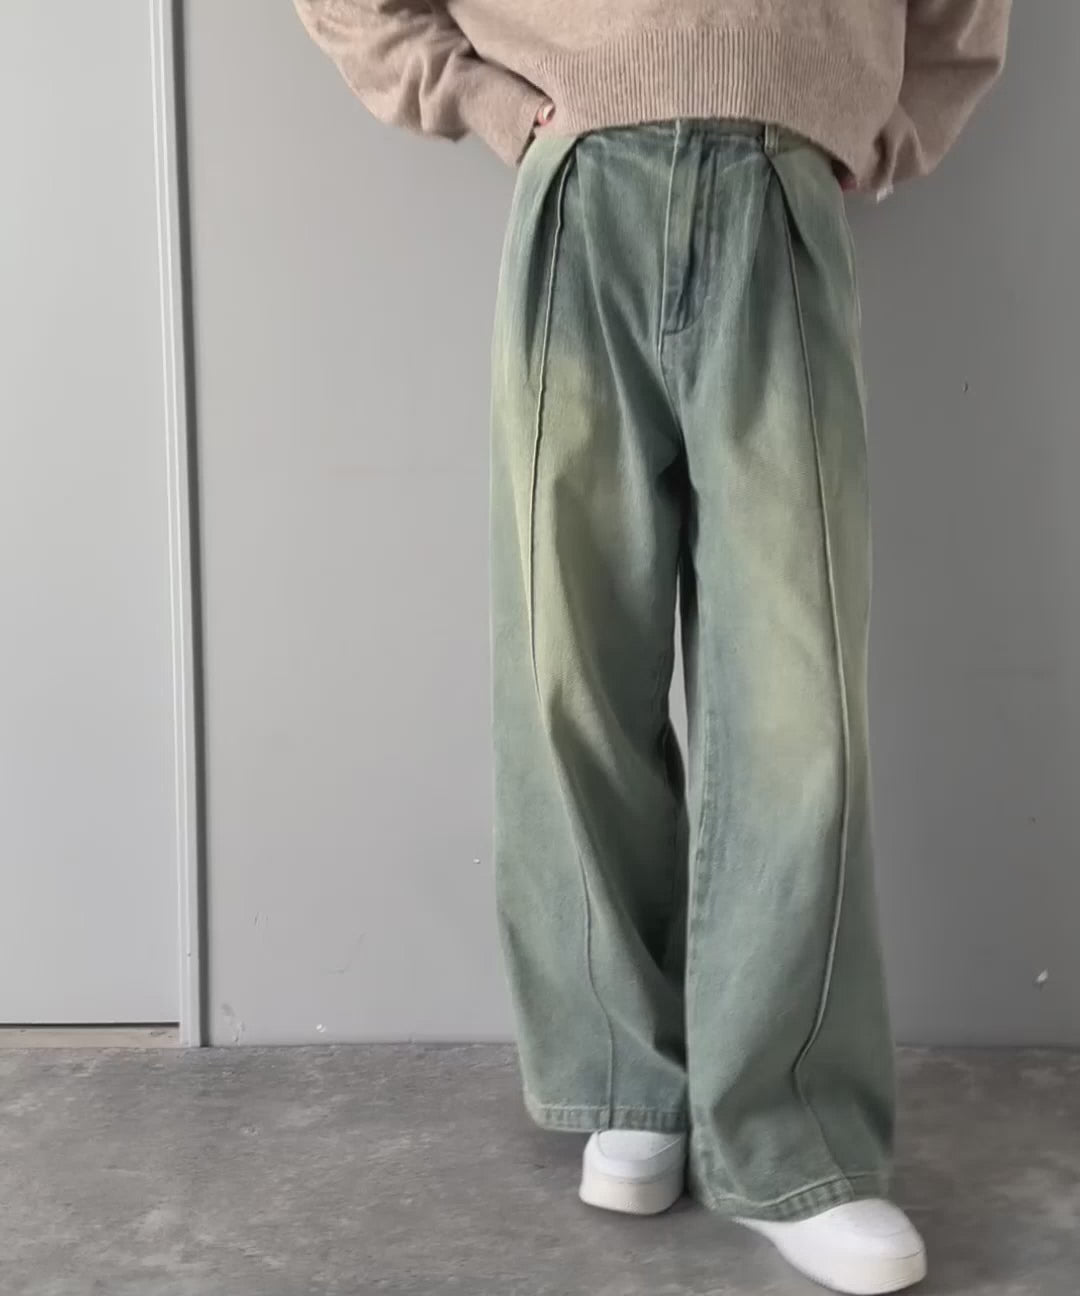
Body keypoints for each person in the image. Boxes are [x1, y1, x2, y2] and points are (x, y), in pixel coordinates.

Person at [293, 3, 1011, 1292]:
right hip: (581, 189)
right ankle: (629, 1074)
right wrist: (478, 96)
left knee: (797, 702)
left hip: (784, 185)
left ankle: (792, 1137)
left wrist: (889, 119)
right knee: (570, 671)